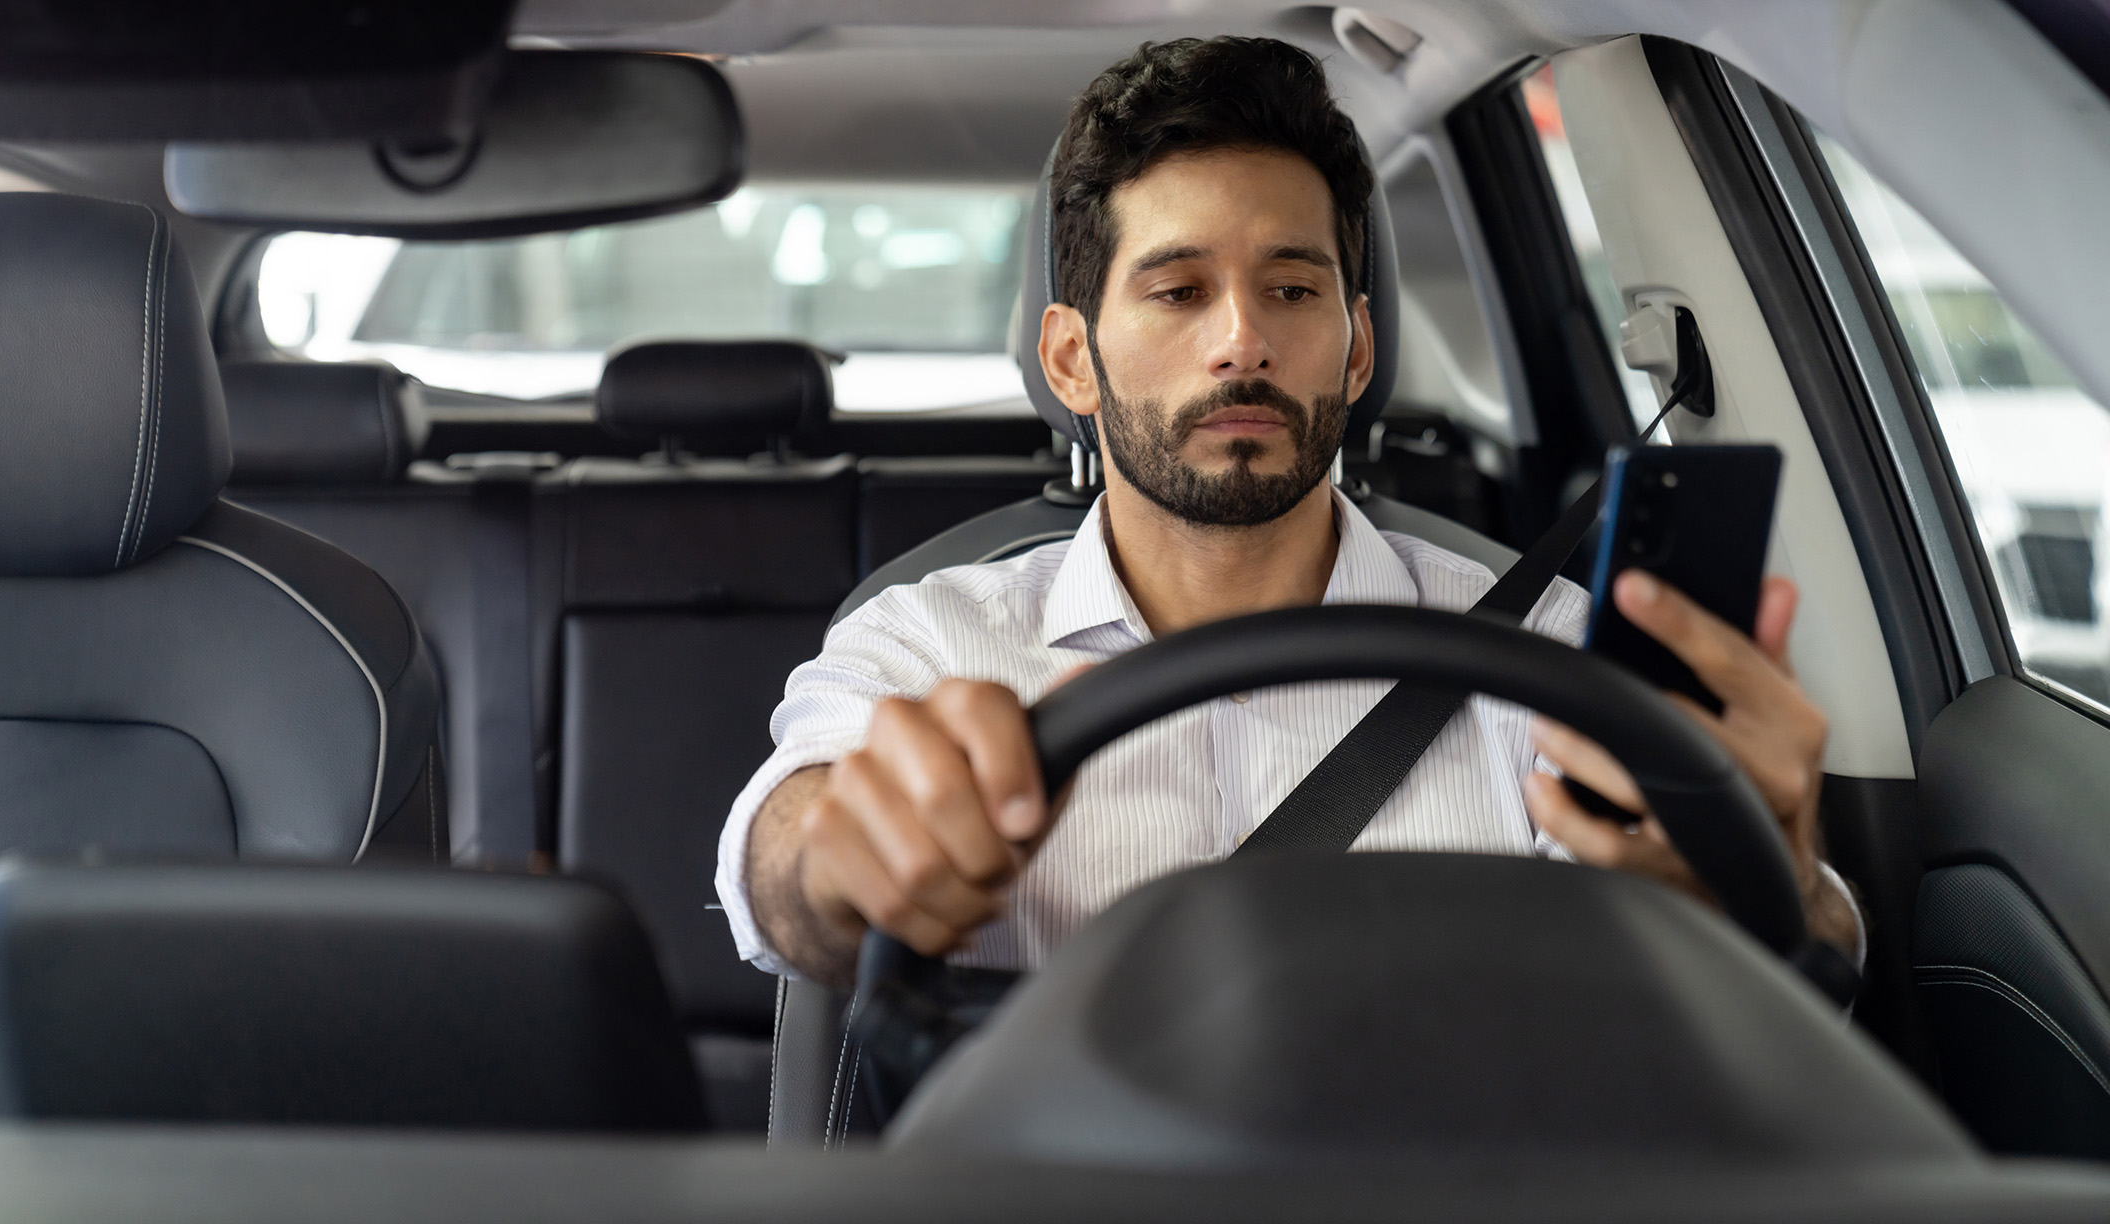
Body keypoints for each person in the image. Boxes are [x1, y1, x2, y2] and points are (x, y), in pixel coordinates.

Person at [717, 35, 1860, 989]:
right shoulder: (927, 644)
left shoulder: (1548, 664)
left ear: (1356, 349)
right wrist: (844, 849)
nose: (1241, 340)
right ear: (1070, 358)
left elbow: (1740, 979)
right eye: (1177, 291)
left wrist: (1781, 888)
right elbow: (780, 866)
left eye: (1292, 288)